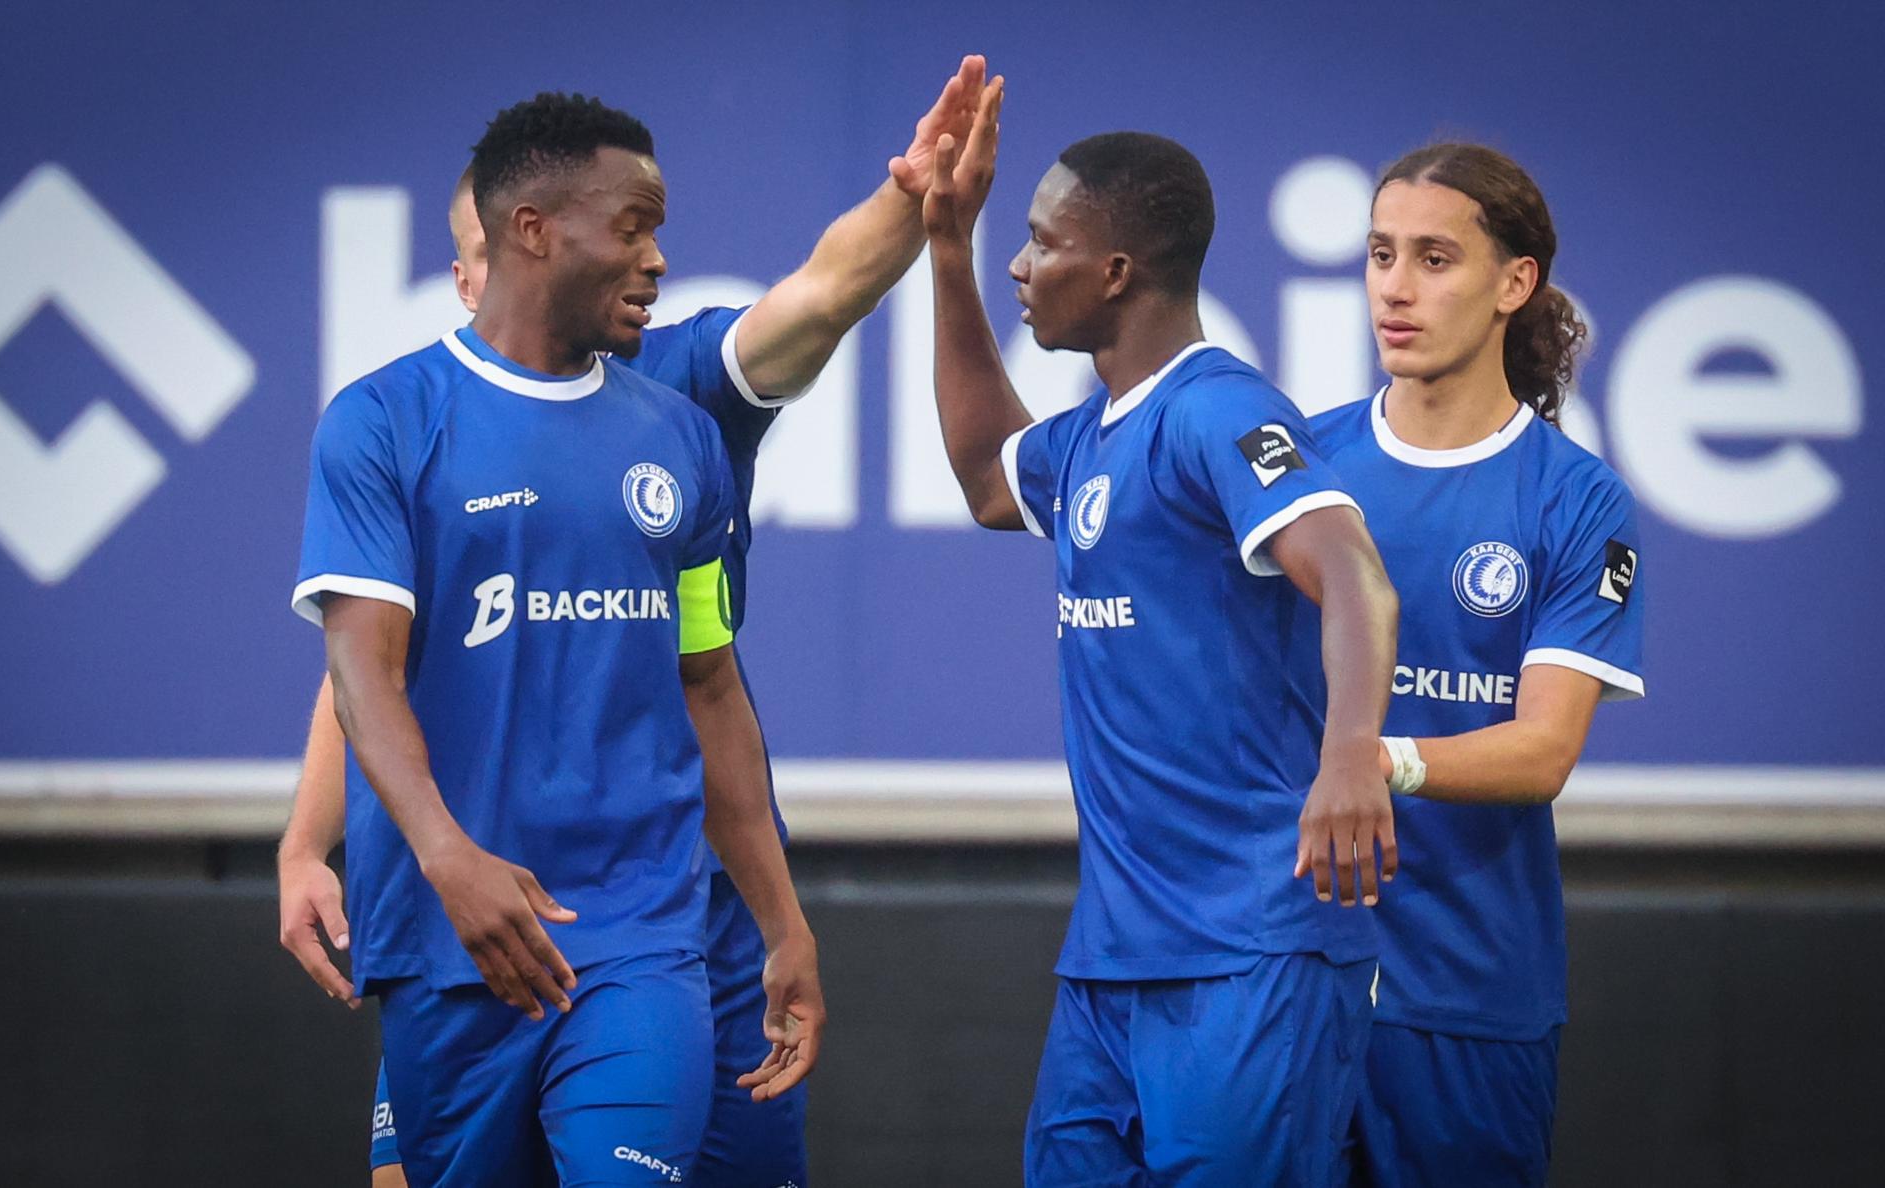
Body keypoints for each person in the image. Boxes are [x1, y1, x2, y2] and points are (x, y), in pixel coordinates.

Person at [280, 61, 992, 1188]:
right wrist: (307, 842)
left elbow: (820, 296)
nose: (652, 259)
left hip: (665, 912)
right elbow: (365, 669)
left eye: (652, 232)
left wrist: (917, 197)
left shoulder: (678, 399)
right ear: (504, 249)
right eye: (459, 258)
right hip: (458, 906)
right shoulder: (393, 421)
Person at [923, 90, 1403, 1185]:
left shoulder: (1216, 411)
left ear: (1118, 272)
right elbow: (987, 479)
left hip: (1253, 950)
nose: (1023, 266)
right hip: (1116, 958)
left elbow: (1357, 577)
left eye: (1044, 243)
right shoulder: (1093, 435)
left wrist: (1347, 756)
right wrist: (947, 249)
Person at [1314, 143, 1645, 1188]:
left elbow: (1544, 749)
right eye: (1379, 255)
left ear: (1516, 282)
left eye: (1434, 258)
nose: (1396, 289)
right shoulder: (1302, 467)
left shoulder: (1575, 500)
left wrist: (1372, 760)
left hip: (1467, 997)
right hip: (1290, 984)